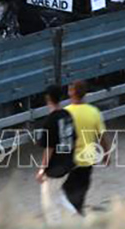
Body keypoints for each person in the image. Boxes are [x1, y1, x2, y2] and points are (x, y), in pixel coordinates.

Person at [63, 80, 110, 216]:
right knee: (81, 190)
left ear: (72, 92)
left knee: (68, 191)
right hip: (87, 160)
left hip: (70, 161)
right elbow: (102, 136)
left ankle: (74, 216)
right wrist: (106, 154)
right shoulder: (94, 112)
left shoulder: (65, 113)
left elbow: (61, 139)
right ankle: (79, 212)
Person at [36, 85, 78, 224]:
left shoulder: (50, 121)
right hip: (68, 163)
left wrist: (42, 169)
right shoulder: (67, 115)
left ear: (48, 99)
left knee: (48, 203)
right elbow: (74, 138)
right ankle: (75, 217)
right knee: (58, 194)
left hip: (56, 168)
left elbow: (49, 148)